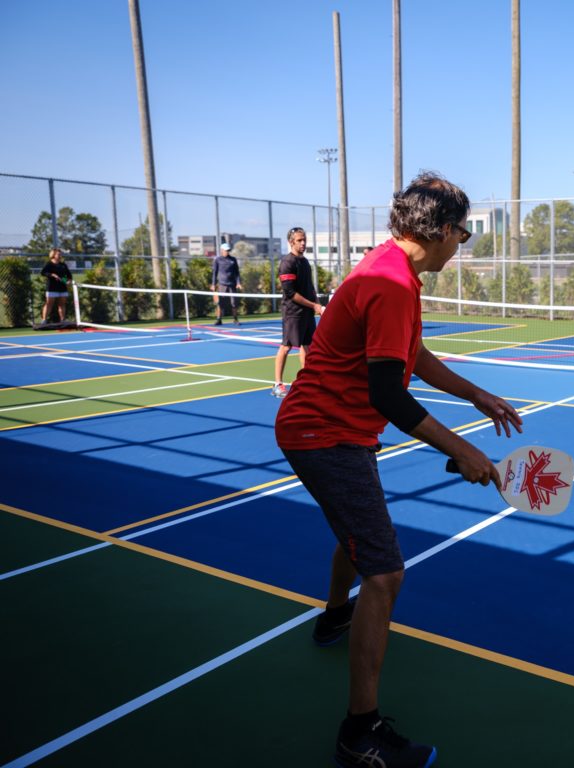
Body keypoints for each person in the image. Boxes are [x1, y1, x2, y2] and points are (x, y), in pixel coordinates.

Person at [275, 172, 523, 768]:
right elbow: (389, 392)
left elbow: (408, 353)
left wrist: (475, 395)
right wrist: (462, 448)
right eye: (463, 233)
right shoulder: (389, 283)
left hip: (336, 431)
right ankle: (359, 735)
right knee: (385, 575)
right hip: (324, 434)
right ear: (439, 231)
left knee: (358, 532)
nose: (462, 244)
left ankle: (335, 615)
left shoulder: (390, 269)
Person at [271, 227, 323, 397]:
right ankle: (277, 384)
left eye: (304, 240)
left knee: (307, 346)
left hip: (307, 312)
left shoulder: (305, 262)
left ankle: (306, 382)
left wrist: (317, 304)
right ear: (291, 242)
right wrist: (313, 306)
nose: (303, 243)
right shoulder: (287, 263)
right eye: (299, 240)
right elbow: (290, 293)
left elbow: (309, 287)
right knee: (286, 346)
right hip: (293, 313)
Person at [210, 242, 242, 326]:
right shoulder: (217, 260)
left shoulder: (233, 260)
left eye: (228, 250)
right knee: (220, 303)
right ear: (222, 250)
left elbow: (237, 273)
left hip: (232, 285)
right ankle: (219, 319)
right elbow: (214, 273)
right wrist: (213, 284)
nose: (227, 252)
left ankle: (235, 319)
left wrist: (238, 283)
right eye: (226, 250)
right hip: (222, 285)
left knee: (234, 303)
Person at [40, 248, 73, 324]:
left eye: (60, 254)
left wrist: (67, 281)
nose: (60, 255)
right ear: (53, 255)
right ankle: (44, 320)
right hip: (51, 287)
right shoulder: (49, 264)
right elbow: (43, 272)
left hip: (62, 288)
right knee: (49, 304)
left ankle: (62, 320)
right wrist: (52, 275)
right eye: (58, 254)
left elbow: (67, 275)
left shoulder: (63, 265)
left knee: (62, 304)